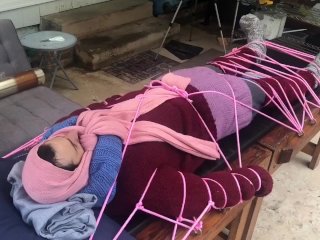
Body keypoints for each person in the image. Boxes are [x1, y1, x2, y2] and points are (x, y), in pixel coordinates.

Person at [19, 14, 320, 223]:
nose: (73, 131)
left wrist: (62, 130)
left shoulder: (87, 127)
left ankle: (255, 47)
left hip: (172, 86)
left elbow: (92, 111)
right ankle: (313, 73)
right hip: (214, 110)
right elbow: (196, 196)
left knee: (220, 64)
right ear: (77, 175)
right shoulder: (132, 178)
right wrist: (254, 179)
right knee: (270, 89)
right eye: (74, 145)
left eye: (61, 135)